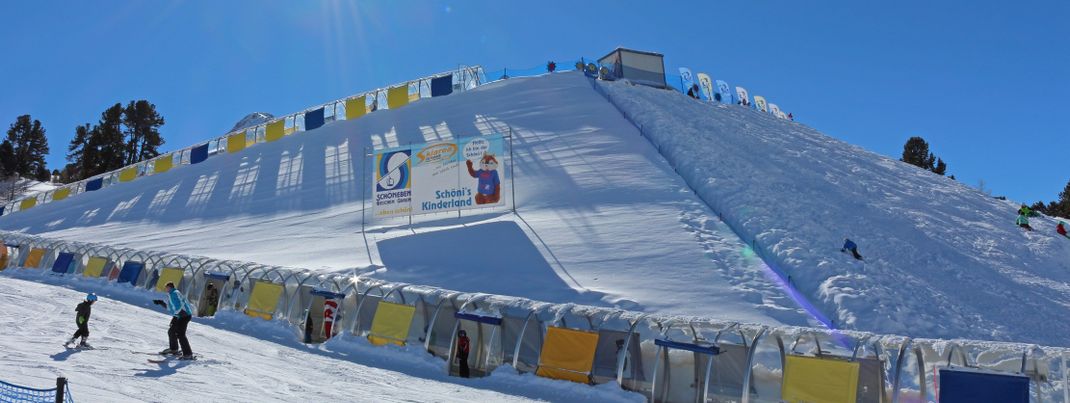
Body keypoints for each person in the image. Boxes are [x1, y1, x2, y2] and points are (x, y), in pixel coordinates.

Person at [153, 282, 194, 359]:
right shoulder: (171, 294)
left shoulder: (175, 293)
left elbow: (180, 304)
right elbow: (170, 308)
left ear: (169, 287)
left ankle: (188, 354)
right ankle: (173, 349)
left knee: (181, 334)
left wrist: (177, 312)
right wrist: (161, 303)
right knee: (171, 331)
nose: (165, 289)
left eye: (166, 287)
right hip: (179, 315)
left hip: (184, 315)